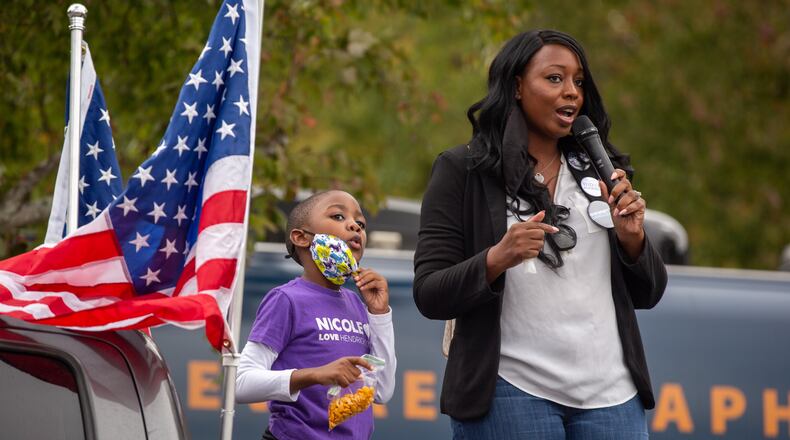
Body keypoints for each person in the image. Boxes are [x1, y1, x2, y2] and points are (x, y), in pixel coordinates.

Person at [413, 29, 667, 439]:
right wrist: (498, 257)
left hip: (612, 398)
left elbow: (650, 293)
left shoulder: (601, 171)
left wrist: (632, 239)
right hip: (509, 392)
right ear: (516, 86)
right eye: (554, 78)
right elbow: (429, 292)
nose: (571, 93)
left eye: (578, 82)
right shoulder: (464, 170)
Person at [236, 190, 396, 440]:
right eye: (338, 216)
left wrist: (380, 314)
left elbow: (382, 391)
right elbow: (240, 383)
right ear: (301, 237)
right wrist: (315, 374)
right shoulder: (287, 299)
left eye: (361, 224)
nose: (355, 225)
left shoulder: (357, 303)